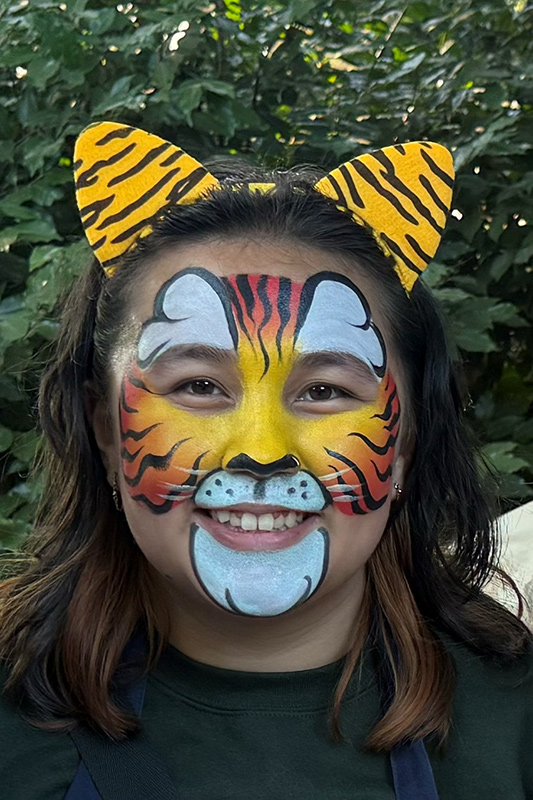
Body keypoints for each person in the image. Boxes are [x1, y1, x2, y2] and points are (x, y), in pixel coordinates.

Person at [0, 121, 531, 800]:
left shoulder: (514, 722)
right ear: (105, 429)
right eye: (197, 386)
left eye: (324, 391)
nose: (261, 450)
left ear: (403, 441)